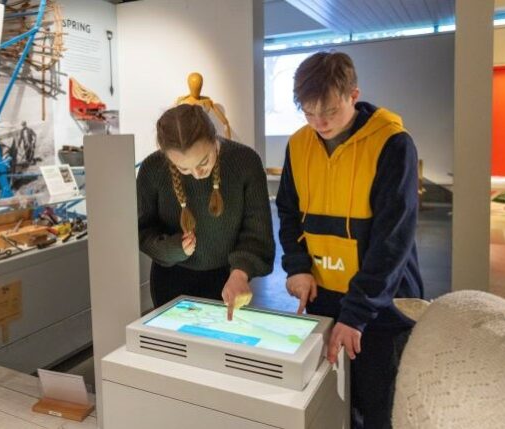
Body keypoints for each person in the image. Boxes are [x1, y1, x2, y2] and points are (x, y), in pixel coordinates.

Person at [276, 51, 424, 428]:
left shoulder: (393, 143)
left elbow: (393, 241)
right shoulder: (298, 144)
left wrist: (357, 314)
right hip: (323, 297)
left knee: (380, 407)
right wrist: (297, 267)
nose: (319, 122)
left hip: (381, 306)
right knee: (331, 399)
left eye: (328, 110)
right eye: (308, 113)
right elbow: (290, 213)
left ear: (353, 94)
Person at [137, 104, 274, 319]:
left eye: (204, 161)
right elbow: (143, 231)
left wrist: (241, 272)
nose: (197, 174)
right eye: (183, 169)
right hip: (171, 282)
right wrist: (173, 248)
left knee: (225, 348)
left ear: (214, 139)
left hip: (229, 279)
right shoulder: (152, 169)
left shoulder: (245, 162)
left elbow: (257, 231)